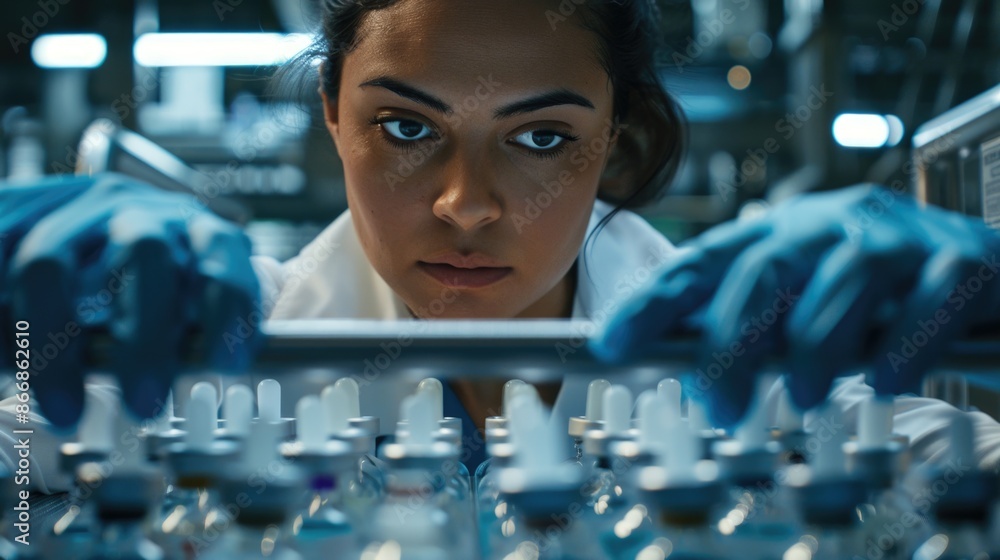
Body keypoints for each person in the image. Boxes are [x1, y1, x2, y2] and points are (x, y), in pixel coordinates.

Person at [2, 0, 1000, 494]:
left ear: (618, 139)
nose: (466, 204)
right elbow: (21, 475)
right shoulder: (192, 358)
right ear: (332, 117)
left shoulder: (767, 368)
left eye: (541, 138)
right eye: (404, 127)